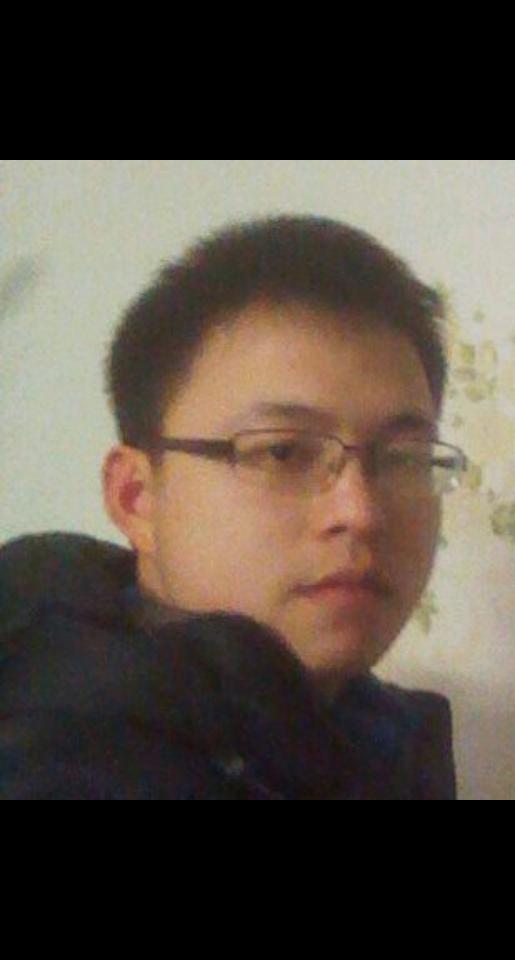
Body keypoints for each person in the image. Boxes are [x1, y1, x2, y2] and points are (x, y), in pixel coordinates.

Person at [0, 215, 467, 800]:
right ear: (137, 498)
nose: (361, 512)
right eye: (283, 451)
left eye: (403, 457)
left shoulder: (377, 734)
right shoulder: (50, 764)